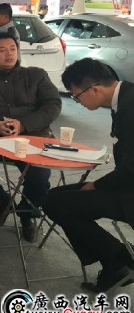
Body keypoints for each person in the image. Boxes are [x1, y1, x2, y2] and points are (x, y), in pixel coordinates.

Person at [44, 58, 134, 292]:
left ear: (94, 89)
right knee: (54, 198)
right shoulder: (124, 98)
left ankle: (118, 260)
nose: (78, 102)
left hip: (129, 193)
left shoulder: (131, 107)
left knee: (58, 203)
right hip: (126, 184)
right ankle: (117, 259)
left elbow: (132, 169)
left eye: (76, 96)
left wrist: (98, 185)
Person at [0, 32, 61, 242]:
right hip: (0, 139)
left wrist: (24, 124)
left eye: (12, 49)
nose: (9, 54)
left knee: (38, 176)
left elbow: (53, 104)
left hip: (34, 138)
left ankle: (27, 214)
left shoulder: (36, 75)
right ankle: (2, 202)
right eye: (2, 50)